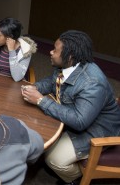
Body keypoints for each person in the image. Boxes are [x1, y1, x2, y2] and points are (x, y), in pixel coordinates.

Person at [21, 30, 120, 185]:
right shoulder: (67, 65)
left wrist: (41, 101)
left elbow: (80, 121)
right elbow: (52, 82)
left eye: (55, 50)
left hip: (98, 129)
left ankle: (75, 178)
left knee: (54, 160)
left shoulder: (92, 83)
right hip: (77, 115)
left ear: (70, 56)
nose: (51, 52)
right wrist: (34, 87)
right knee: (39, 132)